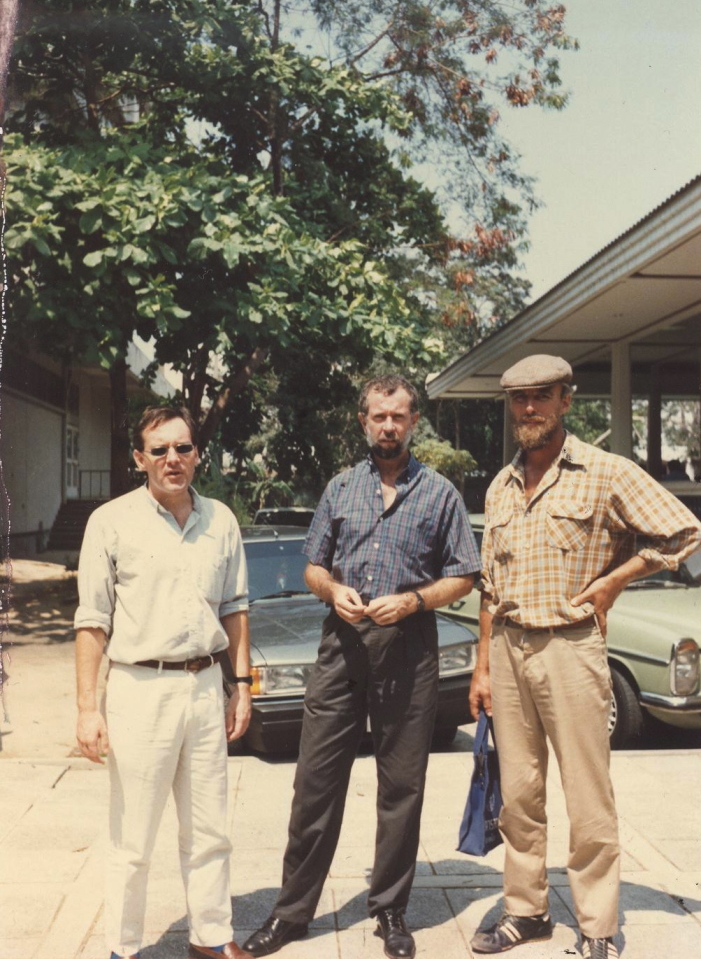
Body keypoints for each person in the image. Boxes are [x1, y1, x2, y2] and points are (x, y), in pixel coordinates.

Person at [468, 355, 701, 959]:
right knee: (519, 793)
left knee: (587, 792)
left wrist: (614, 582)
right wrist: (483, 666)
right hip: (509, 645)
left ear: (566, 401)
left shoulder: (605, 472)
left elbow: (681, 532)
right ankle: (527, 910)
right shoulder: (500, 486)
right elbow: (490, 587)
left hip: (572, 649)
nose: (529, 408)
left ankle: (598, 926)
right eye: (519, 399)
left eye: (541, 396)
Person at [242, 375, 481, 959]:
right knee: (315, 785)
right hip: (340, 650)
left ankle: (391, 911)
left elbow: (466, 574)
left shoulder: (440, 493)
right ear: (363, 421)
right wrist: (332, 591)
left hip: (410, 648)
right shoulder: (340, 488)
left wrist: (416, 599)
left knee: (401, 787)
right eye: (379, 416)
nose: (388, 426)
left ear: (413, 422)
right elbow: (313, 567)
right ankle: (292, 913)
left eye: (398, 416)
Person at [74, 405, 252, 959]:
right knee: (133, 839)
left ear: (198, 453)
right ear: (139, 458)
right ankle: (122, 948)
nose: (173, 460)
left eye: (183, 448)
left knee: (209, 829)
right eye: (160, 450)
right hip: (138, 690)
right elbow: (91, 621)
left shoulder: (220, 520)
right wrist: (87, 709)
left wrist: (241, 684)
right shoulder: (110, 522)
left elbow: (236, 607)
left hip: (203, 687)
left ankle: (211, 936)